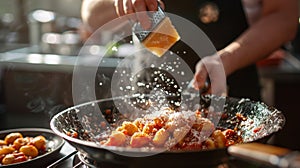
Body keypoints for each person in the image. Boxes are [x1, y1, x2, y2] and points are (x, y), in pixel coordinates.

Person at [111, 0, 298, 101]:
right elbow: (90, 12)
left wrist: (226, 59)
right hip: (146, 101)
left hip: (233, 99)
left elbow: (285, 16)